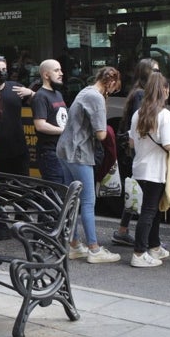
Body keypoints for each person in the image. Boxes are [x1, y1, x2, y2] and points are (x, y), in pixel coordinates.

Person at [56, 66, 123, 264]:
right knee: (87, 200)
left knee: (72, 200)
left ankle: (75, 244)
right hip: (79, 152)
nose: (112, 92)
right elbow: (101, 133)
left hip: (64, 150)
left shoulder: (85, 91)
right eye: (114, 88)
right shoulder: (96, 97)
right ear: (110, 83)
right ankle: (94, 248)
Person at [129, 71, 170, 268]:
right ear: (164, 90)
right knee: (148, 211)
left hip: (140, 167)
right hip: (155, 170)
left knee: (152, 210)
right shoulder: (165, 114)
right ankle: (139, 253)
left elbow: (131, 142)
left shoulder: (138, 114)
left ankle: (154, 246)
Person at [112, 58, 158, 247]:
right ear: (145, 73)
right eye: (155, 70)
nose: (158, 74)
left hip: (135, 149)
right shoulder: (141, 94)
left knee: (136, 189)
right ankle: (147, 239)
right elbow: (142, 122)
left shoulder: (139, 92)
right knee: (144, 193)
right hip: (138, 150)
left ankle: (123, 230)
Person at [0, 55, 34, 176]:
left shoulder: (16, 87)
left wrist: (31, 93)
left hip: (18, 148)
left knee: (21, 186)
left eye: (4, 70)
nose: (1, 73)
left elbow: (39, 102)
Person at [31, 59, 70, 186]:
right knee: (54, 192)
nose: (61, 73)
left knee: (63, 190)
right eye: (56, 70)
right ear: (46, 75)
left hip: (62, 150)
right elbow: (40, 125)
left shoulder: (58, 94)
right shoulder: (40, 96)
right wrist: (65, 131)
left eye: (61, 70)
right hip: (49, 152)